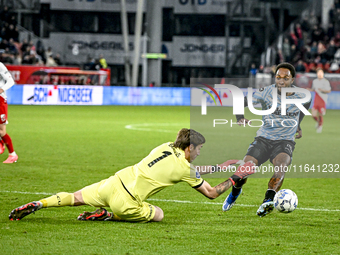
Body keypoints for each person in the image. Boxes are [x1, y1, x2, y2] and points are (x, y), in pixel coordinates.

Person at [9, 128, 255, 222]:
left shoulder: (166, 145)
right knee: (159, 214)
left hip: (114, 181)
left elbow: (192, 170)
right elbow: (211, 193)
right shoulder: (185, 168)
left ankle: (40, 203)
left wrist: (221, 166)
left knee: (75, 197)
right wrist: (235, 177)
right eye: (199, 149)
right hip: (125, 202)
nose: (200, 153)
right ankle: (108, 216)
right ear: (190, 148)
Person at [222, 62, 311, 217]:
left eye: (285, 78)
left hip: (285, 141)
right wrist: (240, 117)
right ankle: (235, 192)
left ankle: (267, 201)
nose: (281, 81)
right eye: (278, 77)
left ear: (293, 80)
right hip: (263, 139)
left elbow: (306, 104)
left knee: (281, 165)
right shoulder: (265, 93)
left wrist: (298, 125)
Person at [0, 62, 18, 163]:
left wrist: (1, 89)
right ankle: (1, 143)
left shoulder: (0, 66)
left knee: (2, 131)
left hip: (0, 100)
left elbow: (10, 81)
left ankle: (12, 155)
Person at [307, 68, 331, 133]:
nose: (319, 74)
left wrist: (322, 90)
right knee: (313, 115)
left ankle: (320, 126)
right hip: (316, 98)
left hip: (322, 99)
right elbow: (313, 89)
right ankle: (318, 122)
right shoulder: (315, 81)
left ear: (323, 74)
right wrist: (309, 89)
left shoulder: (326, 81)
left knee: (320, 114)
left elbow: (329, 90)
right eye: (318, 73)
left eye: (321, 72)